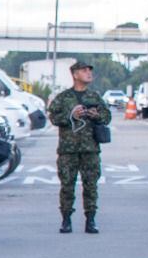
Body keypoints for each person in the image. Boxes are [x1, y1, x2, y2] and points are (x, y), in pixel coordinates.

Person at [46, 60, 109, 234]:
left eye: (90, 70)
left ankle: (91, 219)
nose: (89, 73)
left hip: (90, 149)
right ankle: (66, 219)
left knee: (91, 185)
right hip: (68, 150)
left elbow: (107, 117)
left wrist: (96, 115)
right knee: (67, 185)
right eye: (84, 70)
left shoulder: (94, 97)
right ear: (75, 75)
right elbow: (53, 117)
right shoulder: (63, 97)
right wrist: (71, 115)